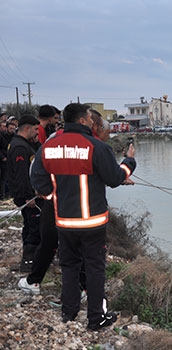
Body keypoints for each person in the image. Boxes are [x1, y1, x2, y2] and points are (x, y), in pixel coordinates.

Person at [30, 103, 136, 331]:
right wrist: (129, 162)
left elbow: (37, 177)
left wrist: (52, 195)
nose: (92, 122)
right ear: (81, 120)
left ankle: (69, 312)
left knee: (69, 265)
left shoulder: (50, 146)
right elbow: (115, 178)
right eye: (89, 118)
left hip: (65, 221)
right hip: (93, 222)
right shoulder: (96, 147)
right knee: (95, 267)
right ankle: (96, 318)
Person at [7, 115, 42, 272]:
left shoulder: (23, 144)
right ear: (26, 128)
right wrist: (28, 196)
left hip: (26, 194)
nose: (37, 133)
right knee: (34, 226)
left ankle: (32, 258)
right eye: (35, 129)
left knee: (29, 224)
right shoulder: (20, 147)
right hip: (27, 196)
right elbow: (22, 175)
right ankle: (29, 261)